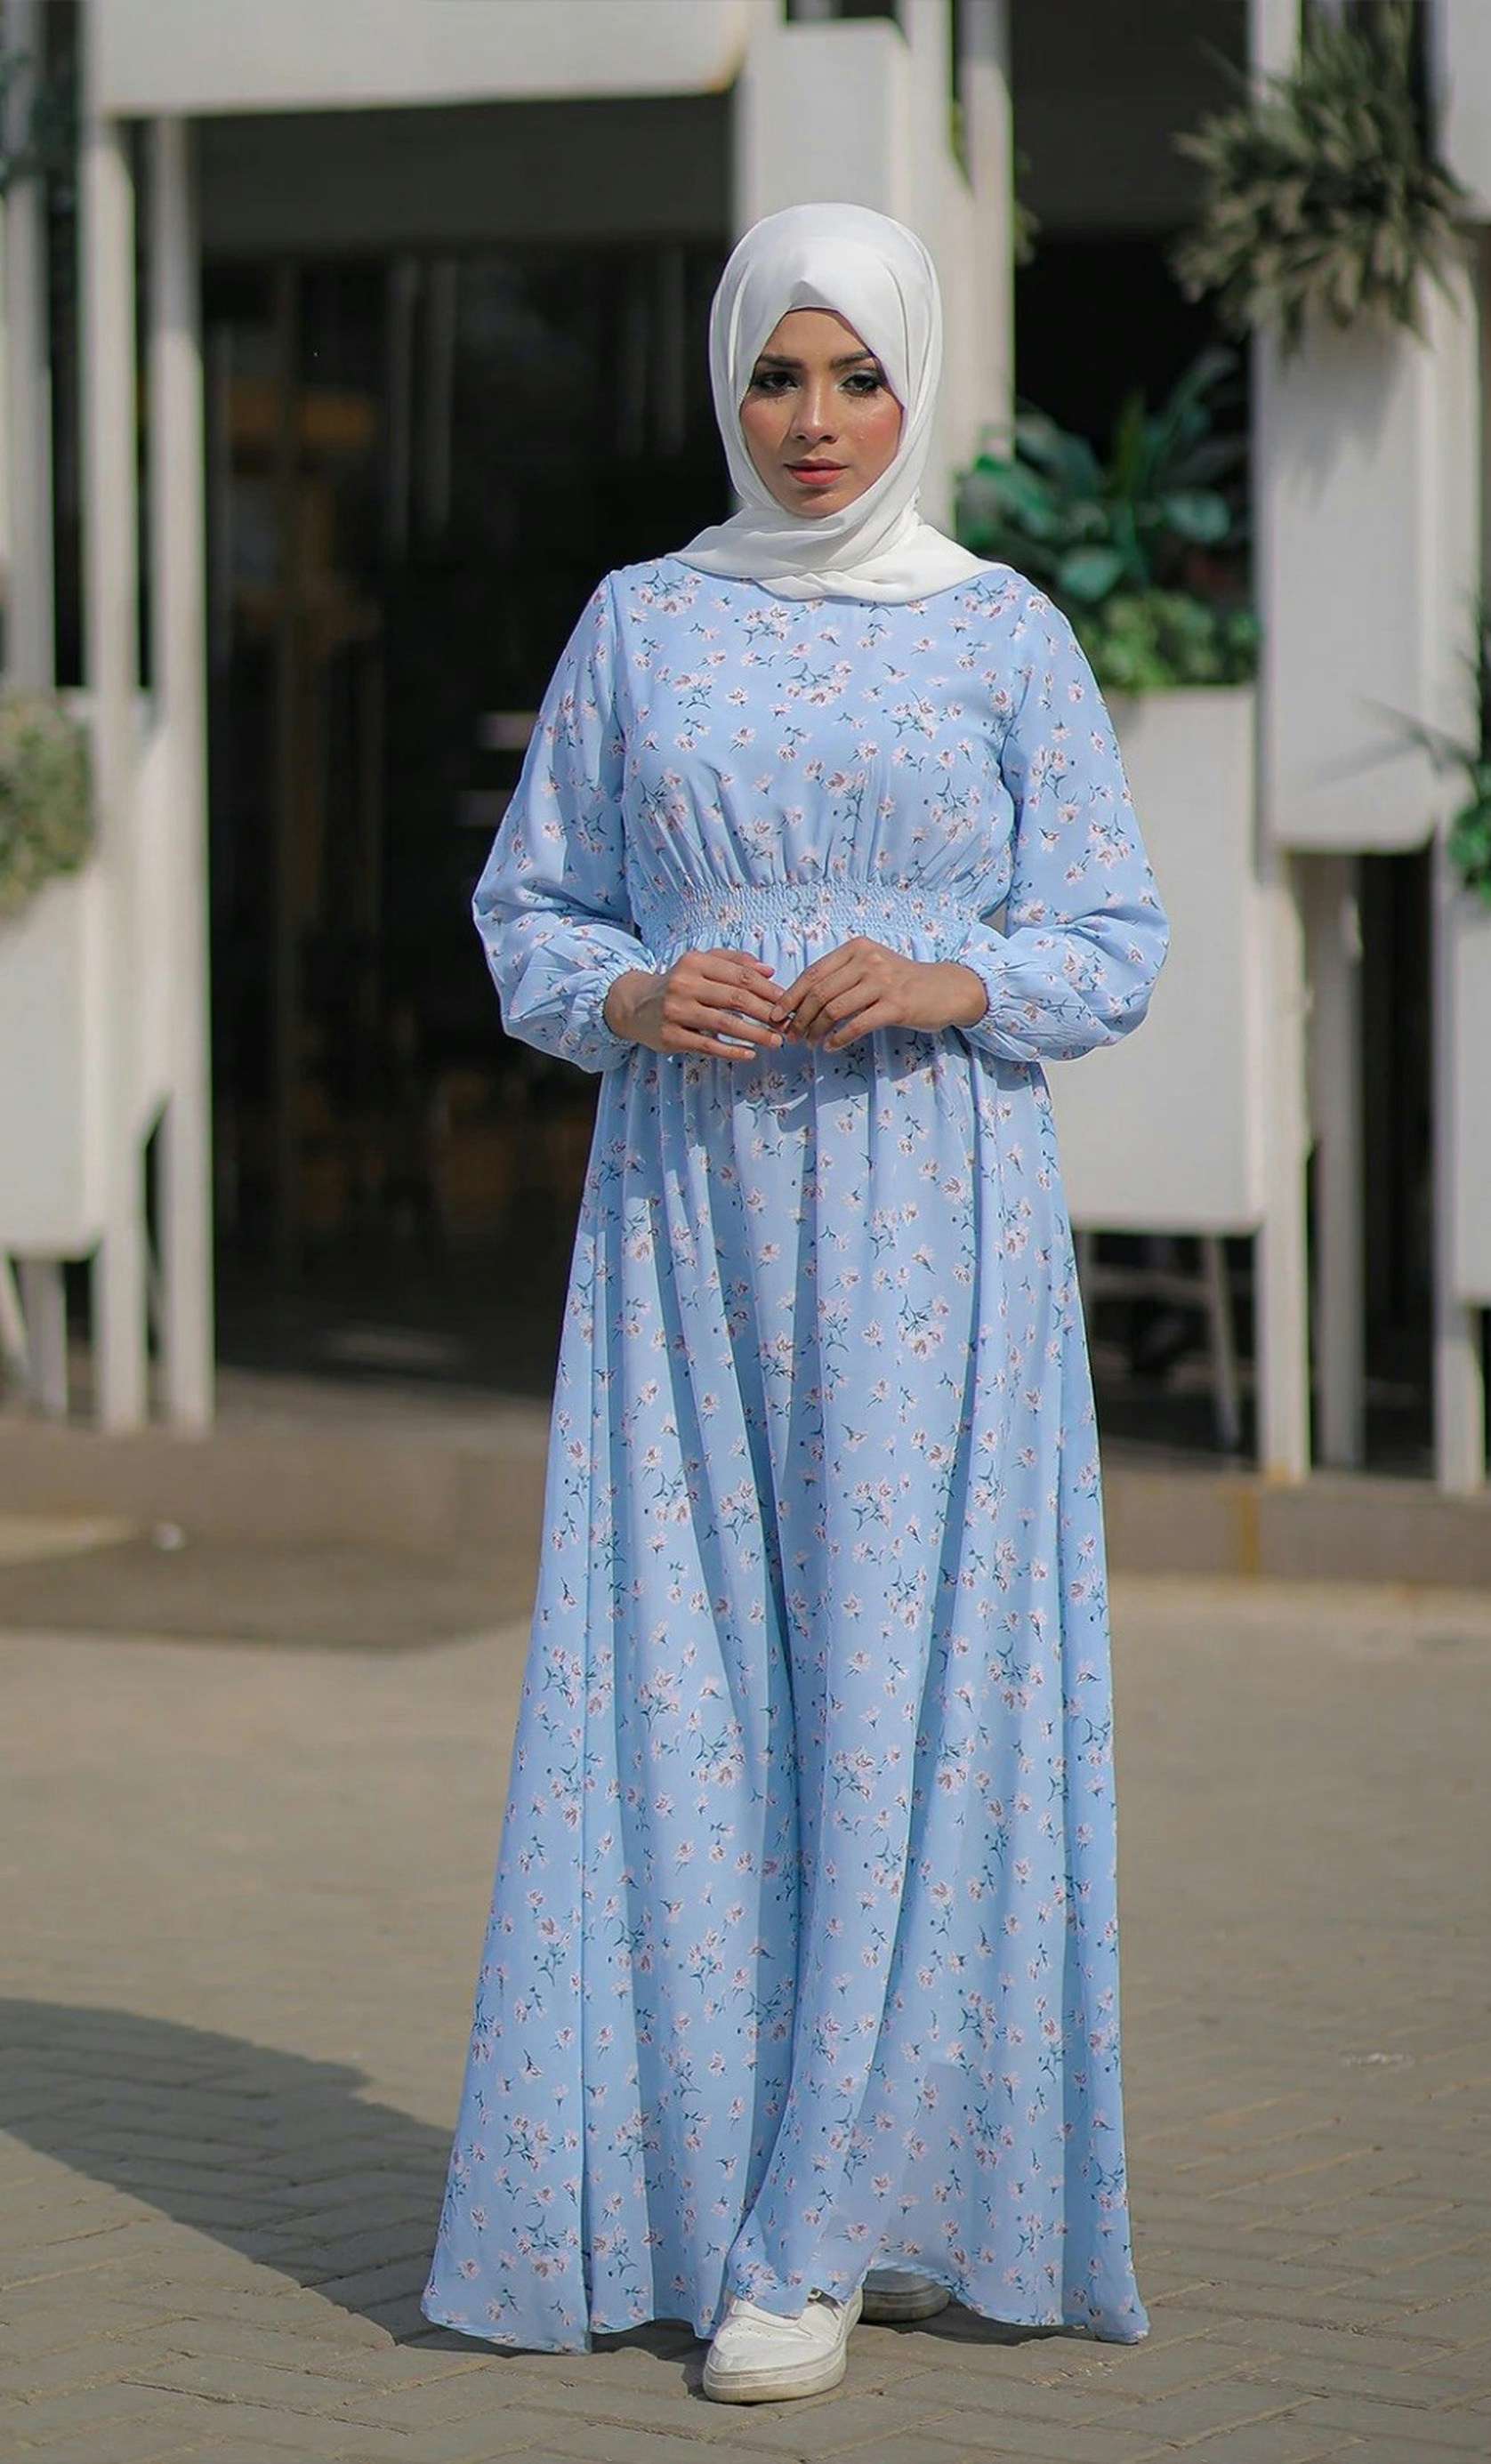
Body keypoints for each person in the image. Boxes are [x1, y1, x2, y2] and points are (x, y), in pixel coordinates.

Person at [422, 201, 1167, 2405]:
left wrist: (956, 975)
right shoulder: (643, 625)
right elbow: (526, 906)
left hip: (938, 1212)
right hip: (689, 1220)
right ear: (728, 386)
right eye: (778, 375)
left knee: (911, 1680)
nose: (817, 421)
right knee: (701, 1681)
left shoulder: (1005, 629)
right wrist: (639, 984)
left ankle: (836, 2211)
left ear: (917, 382)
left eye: (855, 375)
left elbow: (1109, 932)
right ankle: (727, 2182)